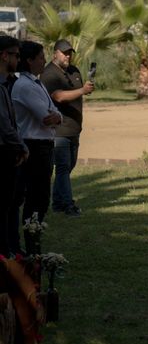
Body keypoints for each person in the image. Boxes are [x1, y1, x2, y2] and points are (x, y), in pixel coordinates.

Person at [11, 41, 62, 254]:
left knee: (41, 198)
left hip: (44, 146)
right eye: (41, 57)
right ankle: (31, 245)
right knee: (35, 198)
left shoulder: (37, 83)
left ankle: (35, 241)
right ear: (30, 60)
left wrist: (56, 116)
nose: (44, 61)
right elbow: (46, 117)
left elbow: (55, 113)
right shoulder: (24, 85)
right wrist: (55, 116)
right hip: (34, 146)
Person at [40, 39, 94, 217]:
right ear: (55, 52)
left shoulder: (74, 71)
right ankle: (69, 206)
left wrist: (85, 88)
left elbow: (76, 93)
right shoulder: (49, 74)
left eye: (70, 52)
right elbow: (58, 97)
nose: (68, 56)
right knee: (63, 168)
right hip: (59, 131)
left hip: (74, 129)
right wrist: (82, 91)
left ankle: (57, 203)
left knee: (68, 167)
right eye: (64, 52)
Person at [0, 36, 28, 256]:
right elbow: (4, 124)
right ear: (4, 55)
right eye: (16, 55)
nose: (19, 59)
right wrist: (21, 146)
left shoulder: (5, 82)